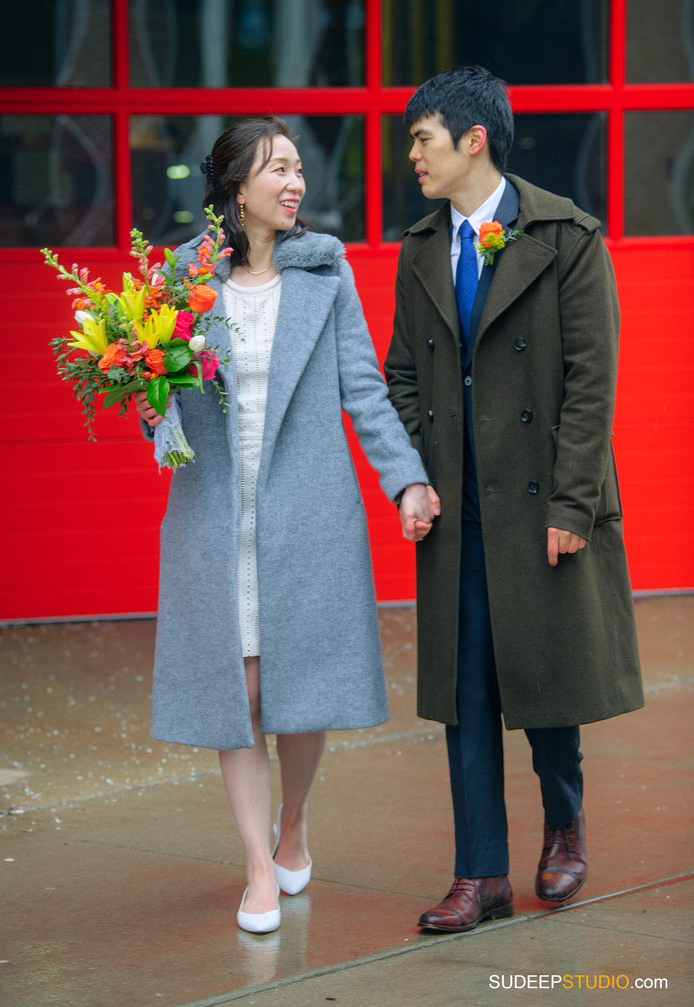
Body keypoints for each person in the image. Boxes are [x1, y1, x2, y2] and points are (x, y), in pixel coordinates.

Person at [135, 116, 438, 934]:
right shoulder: (180, 277)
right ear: (237, 189)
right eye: (278, 169)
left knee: (296, 693)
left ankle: (293, 821)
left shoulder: (325, 273)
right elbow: (151, 398)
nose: (296, 182)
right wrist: (148, 402)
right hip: (214, 513)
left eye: (300, 168)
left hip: (307, 511)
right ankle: (255, 867)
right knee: (245, 689)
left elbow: (364, 389)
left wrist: (405, 479)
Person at [384, 67, 644, 932]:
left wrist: (574, 505)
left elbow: (589, 383)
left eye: (422, 137)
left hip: (540, 503)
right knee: (466, 693)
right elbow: (402, 374)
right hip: (457, 508)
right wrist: (416, 474)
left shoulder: (567, 237)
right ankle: (479, 873)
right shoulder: (421, 246)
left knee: (545, 683)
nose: (410, 154)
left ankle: (563, 823)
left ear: (473, 139)